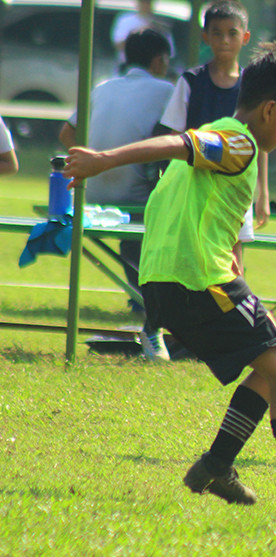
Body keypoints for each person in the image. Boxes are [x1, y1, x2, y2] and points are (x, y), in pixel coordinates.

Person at [61, 42, 276, 514]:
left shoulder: (222, 133)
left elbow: (201, 200)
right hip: (194, 279)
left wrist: (232, 259)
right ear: (271, 110)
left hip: (170, 279)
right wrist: (103, 160)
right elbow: (178, 144)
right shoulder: (238, 141)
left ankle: (215, 466)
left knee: (272, 366)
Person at [58, 28, 175, 360]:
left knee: (133, 237)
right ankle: (152, 308)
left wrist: (93, 158)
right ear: (159, 60)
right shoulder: (167, 90)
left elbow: (67, 132)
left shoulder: (103, 86)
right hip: (134, 198)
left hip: (89, 193)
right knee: (155, 223)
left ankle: (139, 298)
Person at [158, 0, 267, 276]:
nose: (224, 40)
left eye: (232, 33)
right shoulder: (191, 81)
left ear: (245, 37)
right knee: (191, 251)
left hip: (235, 184)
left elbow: (259, 141)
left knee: (233, 254)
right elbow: (174, 136)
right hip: (196, 183)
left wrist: (262, 191)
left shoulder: (252, 87)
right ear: (205, 37)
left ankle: (236, 308)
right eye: (216, 33)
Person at [111, 0, 174, 70]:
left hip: (152, 71)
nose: (146, 5)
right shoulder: (125, 20)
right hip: (126, 68)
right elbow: (118, 44)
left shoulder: (160, 24)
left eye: (148, 1)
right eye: (143, 1)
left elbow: (169, 52)